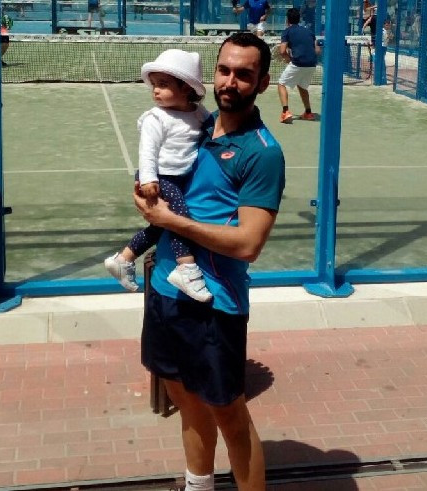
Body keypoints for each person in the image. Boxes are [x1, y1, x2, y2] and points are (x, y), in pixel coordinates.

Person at [134, 32, 285, 491]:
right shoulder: (193, 125)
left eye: (244, 74)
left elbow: (249, 244)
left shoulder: (261, 153)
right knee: (187, 402)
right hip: (165, 288)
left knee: (229, 415)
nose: (230, 82)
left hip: (213, 304)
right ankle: (199, 486)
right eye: (224, 70)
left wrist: (170, 221)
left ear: (262, 83)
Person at [105, 49, 213, 303]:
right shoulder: (156, 118)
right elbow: (147, 151)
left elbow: (212, 126)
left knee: (159, 226)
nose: (155, 91)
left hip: (180, 177)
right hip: (160, 177)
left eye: (163, 85)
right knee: (178, 219)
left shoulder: (198, 112)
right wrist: (148, 180)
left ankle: (124, 259)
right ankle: (186, 268)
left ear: (186, 88)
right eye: (154, 85)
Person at [278, 8, 321, 124]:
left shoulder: (286, 32)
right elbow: (317, 51)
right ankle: (308, 113)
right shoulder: (309, 32)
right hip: (312, 64)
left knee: (281, 84)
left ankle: (285, 112)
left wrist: (288, 59)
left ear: (287, 20)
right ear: (299, 19)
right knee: (302, 87)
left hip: (297, 63)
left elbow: (282, 51)